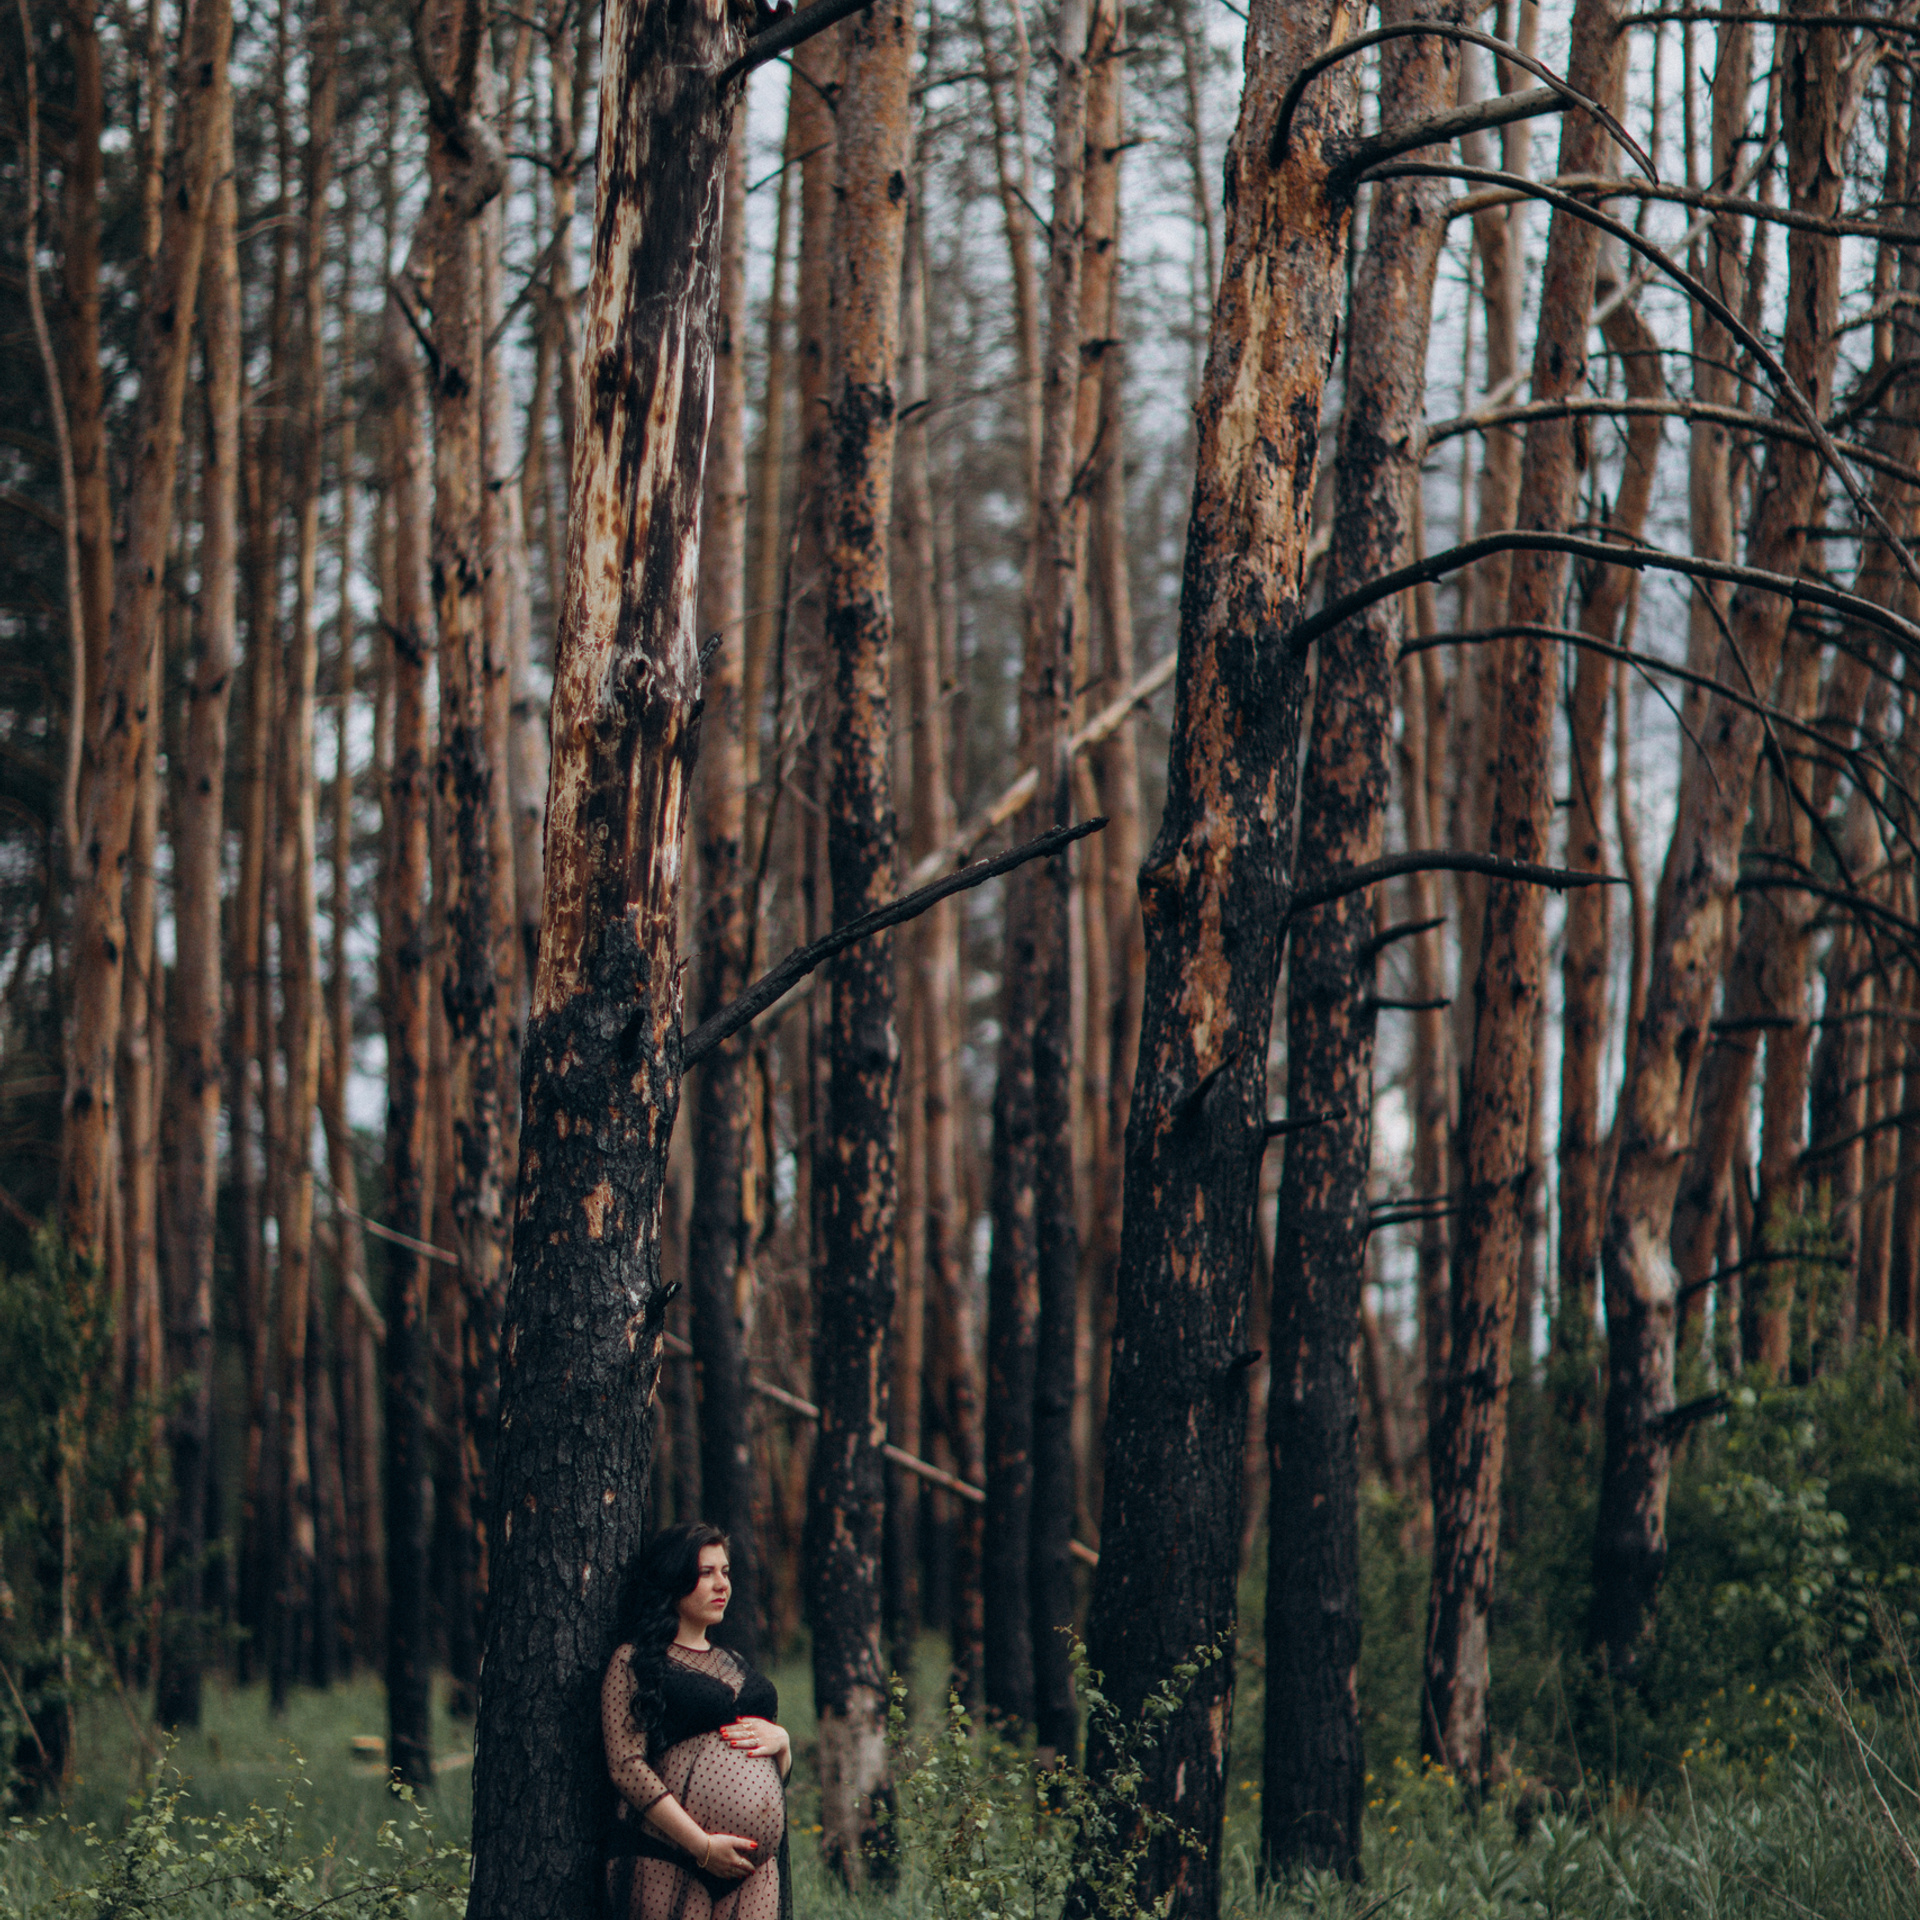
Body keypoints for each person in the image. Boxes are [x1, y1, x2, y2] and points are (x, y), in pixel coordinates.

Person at [603, 1525, 793, 1920]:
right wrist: (703, 1846)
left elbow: (769, 1776)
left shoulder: (735, 1662)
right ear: (674, 1577)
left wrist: (784, 1742)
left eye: (725, 1572)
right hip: (668, 1856)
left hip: (753, 1869)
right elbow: (626, 1766)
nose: (721, 1584)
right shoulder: (635, 1660)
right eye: (706, 1572)